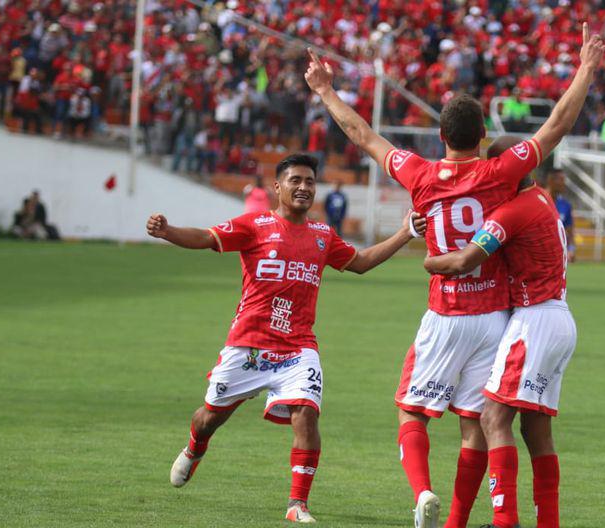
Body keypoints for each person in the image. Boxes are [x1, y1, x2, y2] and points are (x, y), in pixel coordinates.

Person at [303, 22, 604, 528]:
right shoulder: (501, 174)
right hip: (495, 318)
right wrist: (586, 68)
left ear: (441, 136)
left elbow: (363, 135)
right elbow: (555, 126)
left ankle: (423, 493)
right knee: (477, 427)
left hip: (446, 310)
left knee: (411, 413)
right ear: (483, 137)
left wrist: (325, 90)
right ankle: (458, 520)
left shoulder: (418, 172)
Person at [146, 153, 427, 524]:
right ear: (278, 187)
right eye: (295, 180)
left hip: (298, 347)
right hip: (249, 346)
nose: (304, 187)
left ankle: (297, 505)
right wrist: (169, 232)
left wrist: (405, 232)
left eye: (310, 181)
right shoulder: (255, 225)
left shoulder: (323, 236)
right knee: (209, 418)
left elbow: (360, 262)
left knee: (307, 416)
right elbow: (207, 238)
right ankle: (195, 447)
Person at [422, 135, 576, 528]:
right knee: (536, 429)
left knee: (492, 418)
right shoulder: (542, 198)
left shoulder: (512, 211)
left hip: (534, 320)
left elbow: (464, 261)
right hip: (559, 318)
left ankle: (505, 521)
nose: (490, 177)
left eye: (495, 168)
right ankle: (549, 523)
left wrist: (431, 261)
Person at [545, 169, 575, 262]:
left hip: (558, 256)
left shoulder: (566, 205)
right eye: (561, 180)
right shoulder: (537, 199)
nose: (564, 183)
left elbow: (569, 231)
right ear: (550, 180)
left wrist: (571, 249)